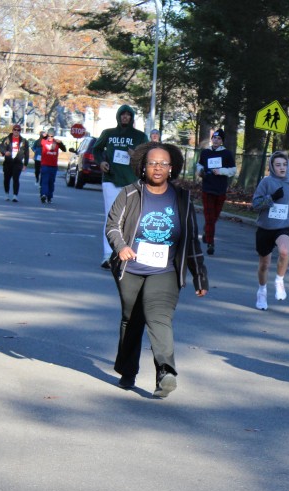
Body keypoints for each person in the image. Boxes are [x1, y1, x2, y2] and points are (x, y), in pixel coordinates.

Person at [105, 142, 208, 397]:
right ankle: (128, 371)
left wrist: (199, 275)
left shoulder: (182, 198)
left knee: (157, 314)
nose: (158, 168)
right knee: (132, 318)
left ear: (171, 168)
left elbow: (192, 240)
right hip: (131, 268)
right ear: (143, 167)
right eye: (152, 163)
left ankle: (165, 372)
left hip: (165, 270)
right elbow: (112, 226)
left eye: (163, 163)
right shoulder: (130, 193)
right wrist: (121, 246)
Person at [250, 150, 289, 310]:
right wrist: (272, 198)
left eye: (284, 164)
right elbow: (255, 204)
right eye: (278, 165)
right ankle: (262, 291)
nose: (282, 168)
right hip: (265, 227)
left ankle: (279, 280)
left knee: (284, 251)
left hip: (283, 226)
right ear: (272, 167)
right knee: (264, 264)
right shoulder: (266, 183)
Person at [92, 105, 148, 268]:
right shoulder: (108, 133)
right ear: (118, 116)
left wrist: (136, 156)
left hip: (131, 181)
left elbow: (148, 156)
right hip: (111, 179)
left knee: (130, 219)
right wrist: (101, 162)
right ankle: (107, 255)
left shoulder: (140, 136)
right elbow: (96, 149)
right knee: (110, 217)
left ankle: (125, 253)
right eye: (122, 114)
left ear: (132, 117)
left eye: (128, 115)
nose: (125, 117)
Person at [195, 128, 236, 256]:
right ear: (211, 139)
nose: (216, 140)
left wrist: (221, 171)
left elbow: (233, 170)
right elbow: (199, 165)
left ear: (222, 141)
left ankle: (207, 231)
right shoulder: (205, 152)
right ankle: (210, 243)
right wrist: (201, 171)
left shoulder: (227, 154)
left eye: (219, 138)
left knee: (214, 217)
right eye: (214, 138)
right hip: (207, 189)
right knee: (209, 217)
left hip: (220, 189)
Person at [0, 124, 30, 202]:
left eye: (18, 130)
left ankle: (15, 195)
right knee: (6, 179)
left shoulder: (23, 141)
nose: (16, 131)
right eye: (15, 130)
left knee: (16, 178)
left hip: (18, 162)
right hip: (8, 162)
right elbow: (2, 148)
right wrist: (5, 152)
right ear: (12, 130)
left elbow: (26, 153)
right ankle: (6, 194)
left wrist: (25, 164)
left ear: (20, 131)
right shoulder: (7, 139)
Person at [36, 127, 66, 204]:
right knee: (44, 181)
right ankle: (43, 195)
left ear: (54, 136)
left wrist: (61, 143)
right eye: (49, 136)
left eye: (52, 136)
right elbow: (38, 143)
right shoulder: (44, 141)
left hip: (53, 166)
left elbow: (64, 149)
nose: (50, 137)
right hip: (45, 165)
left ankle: (49, 196)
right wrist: (43, 136)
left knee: (51, 182)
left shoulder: (56, 143)